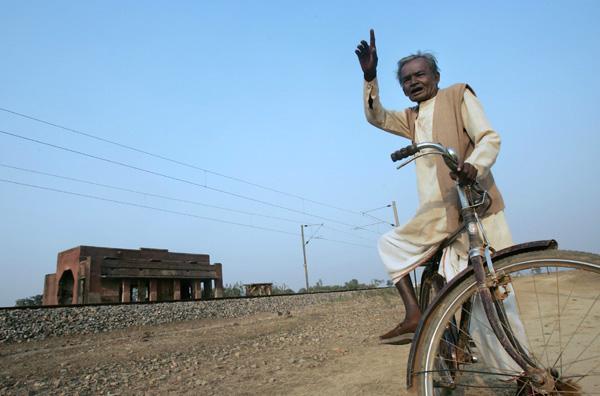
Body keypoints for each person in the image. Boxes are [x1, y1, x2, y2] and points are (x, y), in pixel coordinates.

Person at [355, 29, 514, 346]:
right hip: (436, 215)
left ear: (436, 76)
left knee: (495, 297)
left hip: (474, 210)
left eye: (419, 74)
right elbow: (377, 117)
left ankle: (520, 375)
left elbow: (488, 138)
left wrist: (474, 165)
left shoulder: (457, 96)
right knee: (406, 256)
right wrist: (370, 77)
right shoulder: (411, 118)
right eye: (405, 79)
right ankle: (421, 319)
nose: (412, 82)